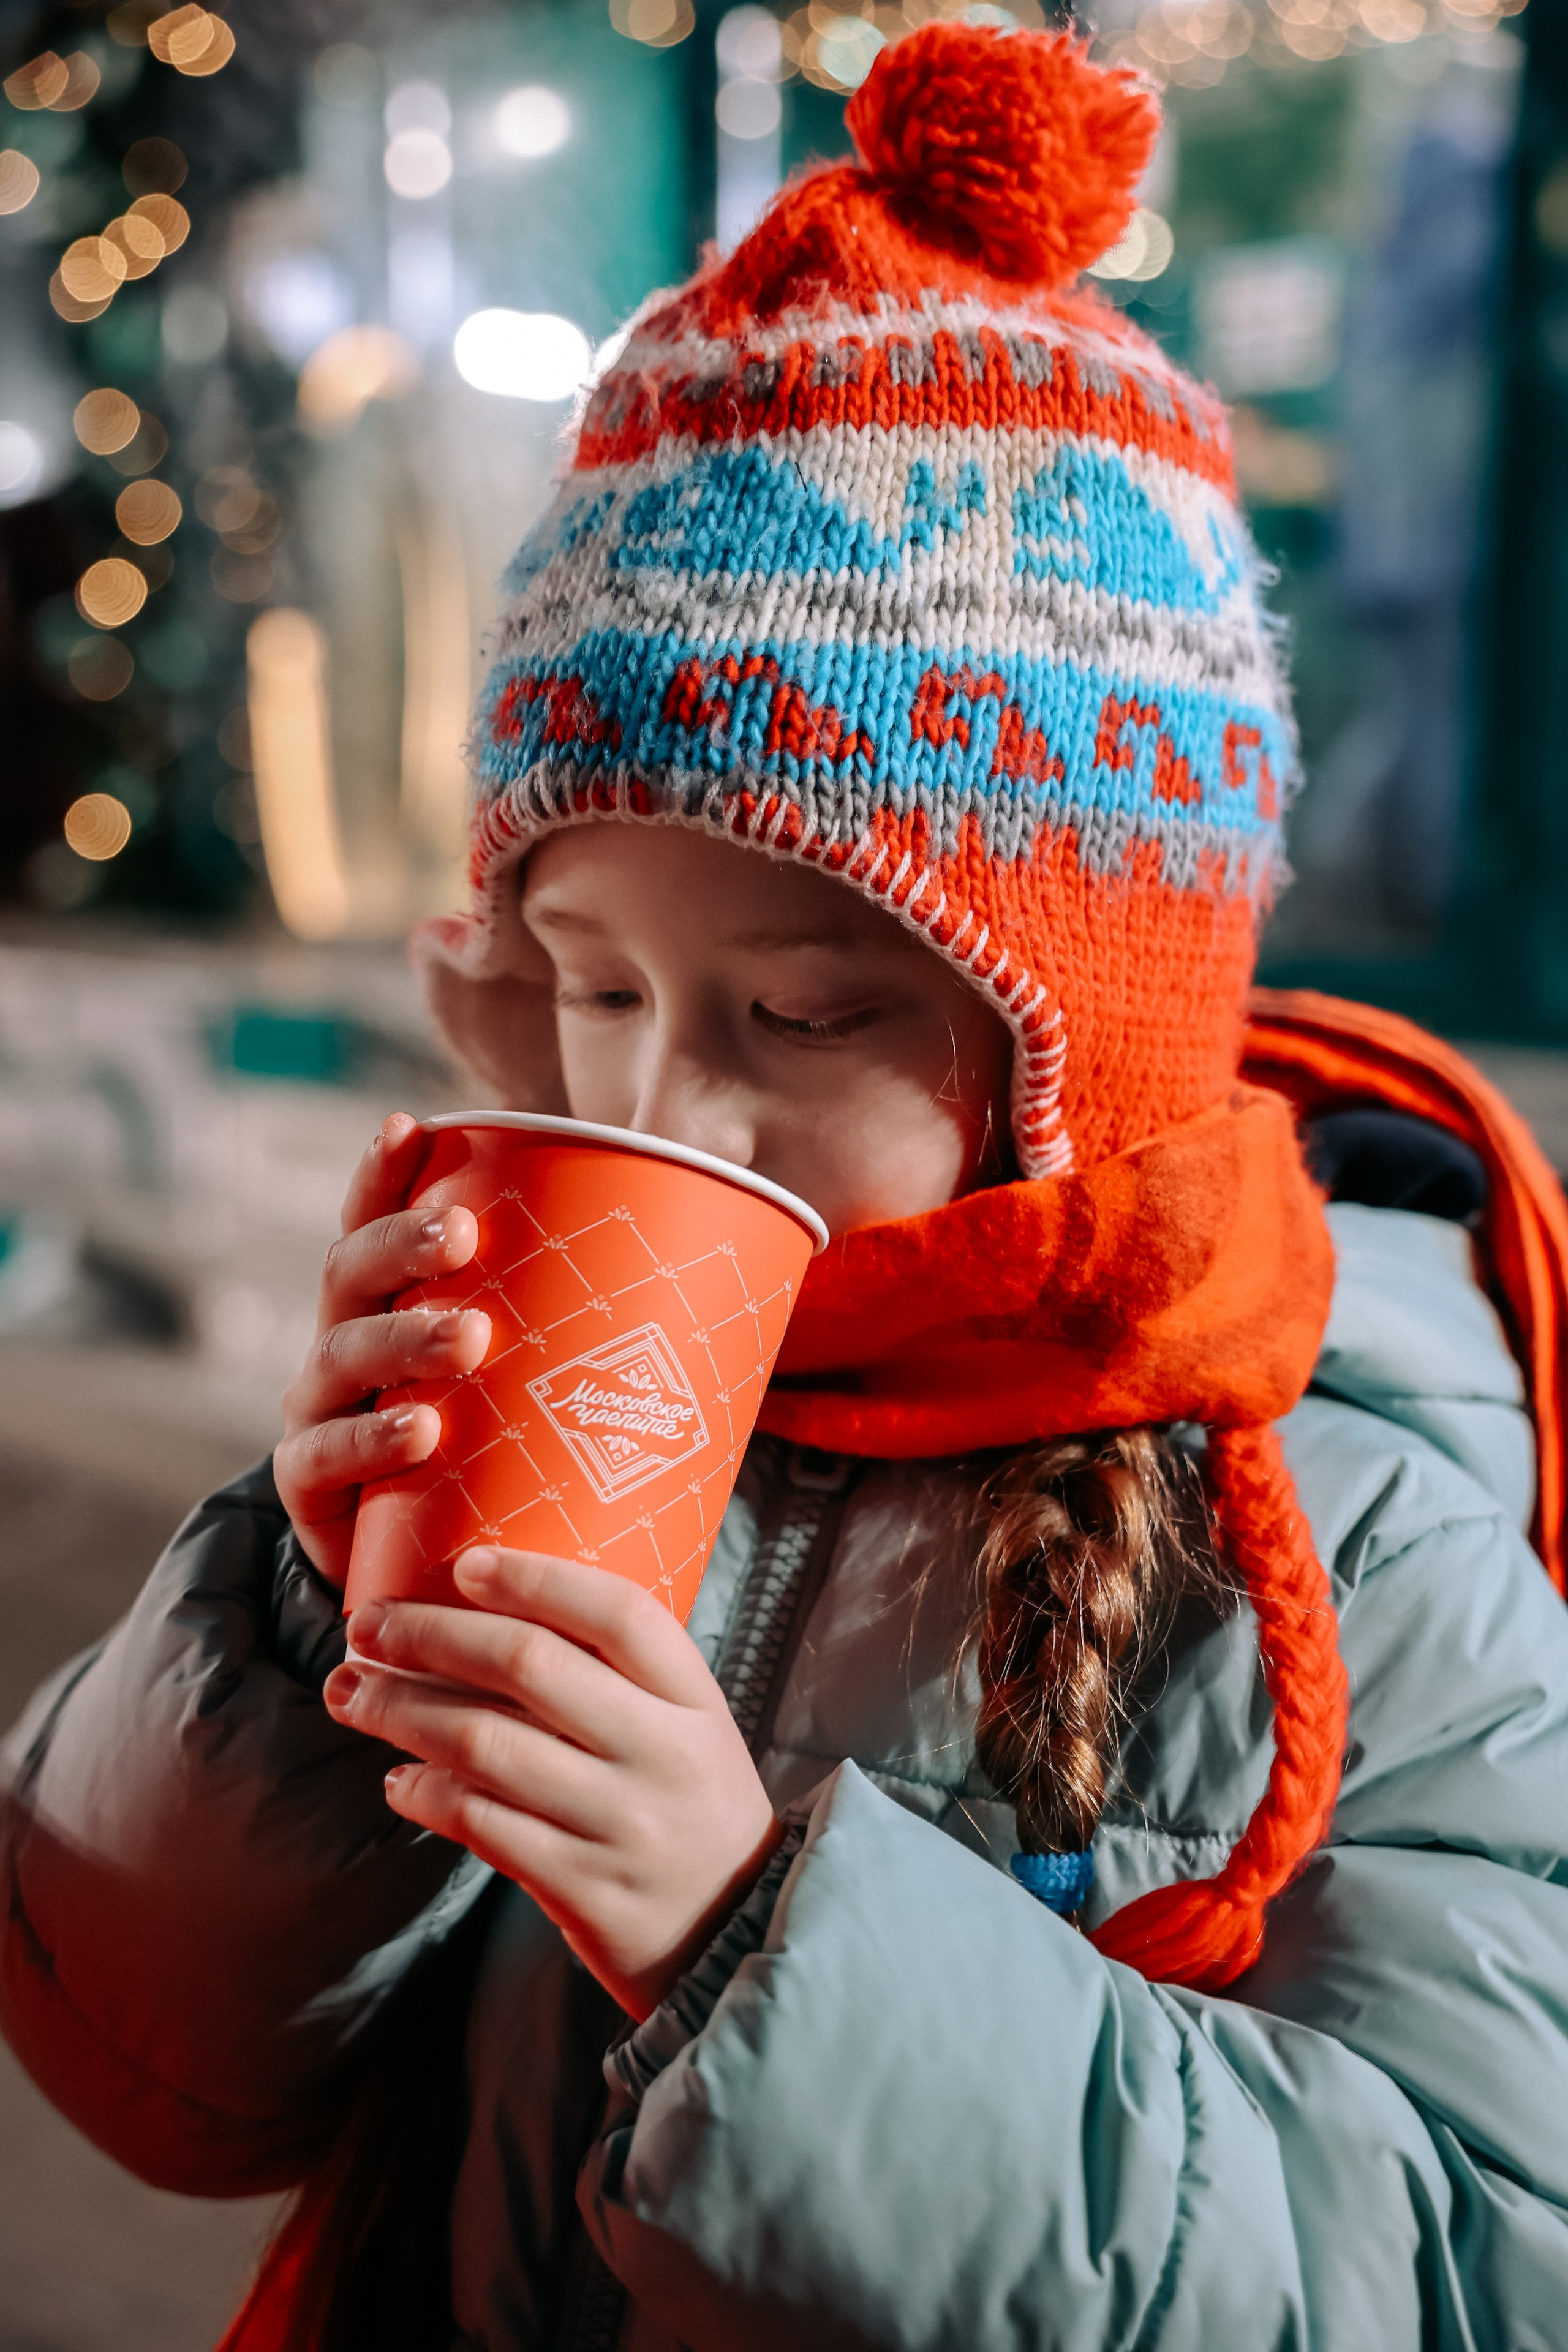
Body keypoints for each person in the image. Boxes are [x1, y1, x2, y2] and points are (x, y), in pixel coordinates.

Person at [6, 23, 1568, 2351]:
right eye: (592, 984)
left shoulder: (1370, 1560)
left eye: (811, 1018)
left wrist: (748, 1929)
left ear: (1082, 1046)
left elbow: (1459, 2271)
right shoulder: (561, 1399)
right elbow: (164, 2079)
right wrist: (291, 1633)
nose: (668, 1115)